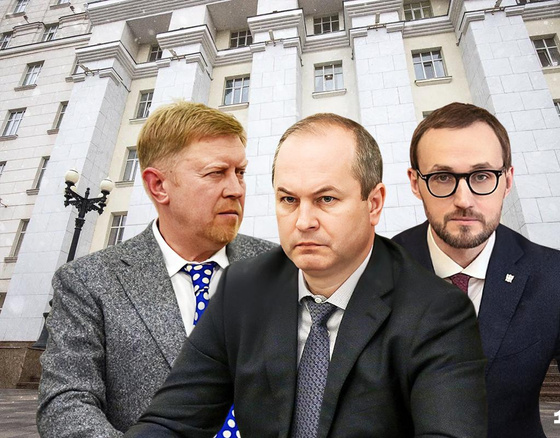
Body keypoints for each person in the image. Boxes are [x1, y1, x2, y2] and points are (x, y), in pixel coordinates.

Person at [125, 113, 488, 437]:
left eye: (326, 199)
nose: (303, 222)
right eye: (289, 200)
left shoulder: (439, 312)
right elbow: (171, 422)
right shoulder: (241, 289)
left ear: (374, 204)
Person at [393, 102, 560, 437]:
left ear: (507, 180)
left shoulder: (552, 277)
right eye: (442, 177)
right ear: (415, 183)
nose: (464, 200)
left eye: (482, 176)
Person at [37, 101, 277, 437]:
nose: (236, 189)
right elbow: (65, 403)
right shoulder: (89, 281)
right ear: (159, 186)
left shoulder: (280, 267)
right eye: (216, 173)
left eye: (240, 172)